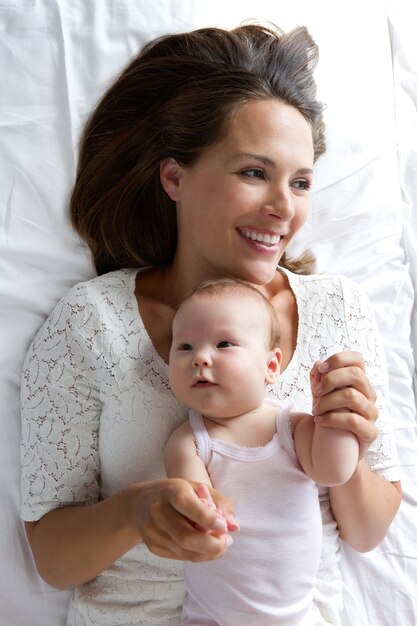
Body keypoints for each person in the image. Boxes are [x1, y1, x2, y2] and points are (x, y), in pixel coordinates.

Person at [20, 22, 401, 626]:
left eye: (300, 182)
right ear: (174, 177)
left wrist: (346, 441)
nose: (283, 208)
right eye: (254, 173)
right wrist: (134, 513)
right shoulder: (93, 324)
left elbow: (367, 532)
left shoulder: (338, 312)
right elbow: (52, 558)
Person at [165, 278, 360, 626]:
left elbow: (334, 471)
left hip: (297, 618)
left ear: (271, 366)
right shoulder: (190, 441)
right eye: (184, 347)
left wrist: (331, 416)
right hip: (212, 617)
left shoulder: (291, 426)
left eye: (223, 343)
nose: (200, 358)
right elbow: (192, 506)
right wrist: (203, 514)